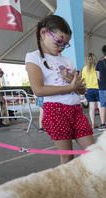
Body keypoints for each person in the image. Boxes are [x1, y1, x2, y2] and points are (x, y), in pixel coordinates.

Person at [25, 14, 94, 164]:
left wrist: (78, 86)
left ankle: (91, 182)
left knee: (92, 152)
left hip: (76, 110)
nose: (61, 47)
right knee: (67, 157)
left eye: (65, 44)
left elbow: (80, 90)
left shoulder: (66, 60)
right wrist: (70, 87)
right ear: (43, 33)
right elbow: (38, 90)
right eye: (59, 42)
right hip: (55, 110)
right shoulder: (34, 57)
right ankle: (67, 186)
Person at [82, 53, 101, 129]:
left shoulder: (84, 69)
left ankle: (93, 123)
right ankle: (102, 122)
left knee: (91, 107)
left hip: (89, 89)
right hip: (98, 89)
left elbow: (83, 81)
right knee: (100, 106)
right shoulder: (97, 68)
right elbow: (100, 78)